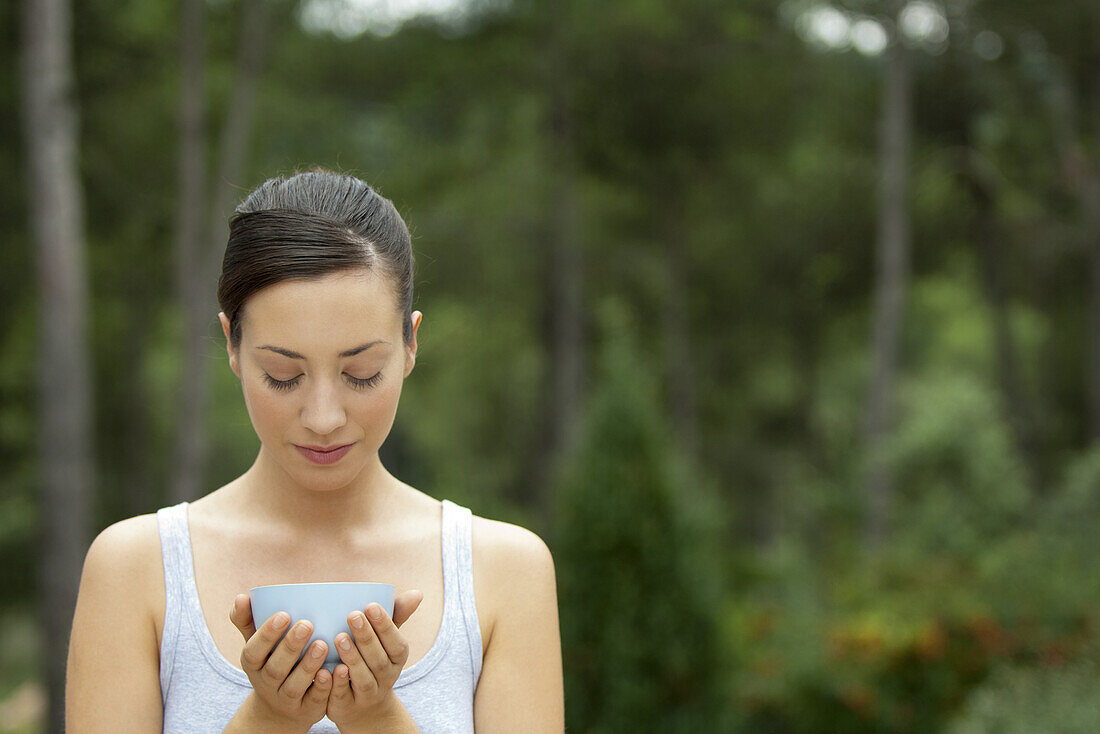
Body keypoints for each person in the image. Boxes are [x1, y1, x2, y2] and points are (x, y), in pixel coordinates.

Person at [65, 169, 565, 733]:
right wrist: (265, 720)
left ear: (410, 345)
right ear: (231, 345)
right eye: (282, 376)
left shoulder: (503, 572)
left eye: (361, 373)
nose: (324, 418)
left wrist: (379, 720)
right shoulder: (136, 571)